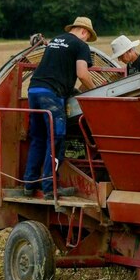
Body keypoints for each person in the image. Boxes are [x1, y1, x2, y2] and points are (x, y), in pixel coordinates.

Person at [22, 17, 97, 196]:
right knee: (56, 138)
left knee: (38, 138)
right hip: (51, 95)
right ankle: (51, 188)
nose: (87, 40)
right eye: (88, 37)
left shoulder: (56, 40)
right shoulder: (81, 46)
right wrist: (96, 91)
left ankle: (29, 184)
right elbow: (82, 74)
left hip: (34, 90)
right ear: (84, 32)